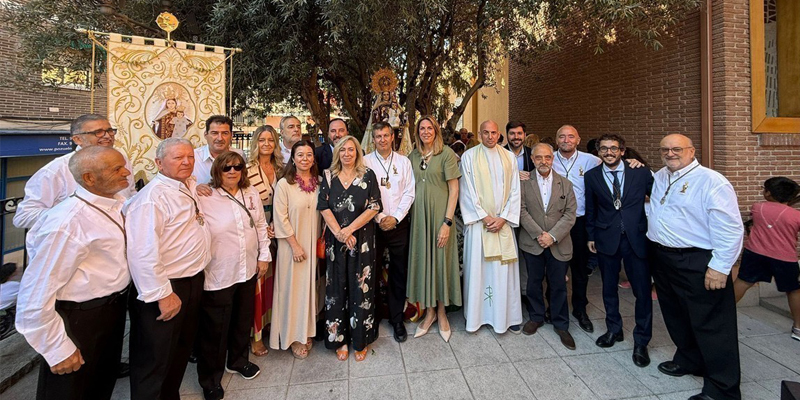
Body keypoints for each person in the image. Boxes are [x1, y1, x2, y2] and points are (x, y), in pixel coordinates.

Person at [15, 146, 131, 400]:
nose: (127, 172)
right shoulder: (66, 223)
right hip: (80, 320)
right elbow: (34, 296)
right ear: (89, 178)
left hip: (110, 311)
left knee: (100, 384)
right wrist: (56, 348)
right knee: (72, 390)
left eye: (123, 165)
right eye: (116, 169)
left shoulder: (118, 203)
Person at [648, 134, 743, 400]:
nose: (670, 153)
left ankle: (722, 389)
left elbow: (731, 227)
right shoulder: (660, 177)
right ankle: (690, 360)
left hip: (698, 261)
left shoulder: (712, 181)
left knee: (711, 324)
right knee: (676, 316)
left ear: (691, 151)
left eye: (677, 149)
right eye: (665, 149)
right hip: (664, 259)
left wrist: (721, 266)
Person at [125, 138, 212, 400]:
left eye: (189, 157)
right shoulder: (151, 198)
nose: (186, 162)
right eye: (178, 158)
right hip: (167, 286)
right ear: (159, 163)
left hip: (192, 280)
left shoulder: (187, 186)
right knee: (154, 358)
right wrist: (162, 294)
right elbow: (142, 252)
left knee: (180, 350)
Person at [195, 152, 269, 400]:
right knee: (215, 329)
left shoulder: (250, 193)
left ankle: (237, 361)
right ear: (217, 170)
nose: (233, 171)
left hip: (247, 268)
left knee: (241, 320)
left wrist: (264, 256)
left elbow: (260, 225)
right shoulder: (204, 196)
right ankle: (210, 379)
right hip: (219, 272)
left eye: (237, 166)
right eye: (227, 167)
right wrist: (196, 186)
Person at [584, 134, 654, 367]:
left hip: (637, 238)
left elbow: (661, 200)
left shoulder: (641, 172)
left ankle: (641, 340)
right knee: (608, 288)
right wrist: (591, 235)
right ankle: (614, 329)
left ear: (623, 151)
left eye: (614, 148)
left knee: (642, 292)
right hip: (606, 238)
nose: (609, 152)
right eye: (604, 148)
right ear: (598, 152)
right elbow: (591, 208)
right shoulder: (592, 176)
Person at [318, 136, 382, 361]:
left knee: (361, 289)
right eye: (342, 150)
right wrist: (339, 234)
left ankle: (360, 340)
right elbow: (324, 207)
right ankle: (340, 339)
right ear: (337, 153)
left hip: (362, 240)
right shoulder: (328, 176)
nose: (347, 153)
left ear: (357, 152)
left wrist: (350, 231)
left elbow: (374, 207)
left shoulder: (368, 175)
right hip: (337, 243)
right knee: (336, 290)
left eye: (351, 149)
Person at [14, 114, 135, 229]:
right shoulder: (55, 170)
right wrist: (76, 215)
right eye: (98, 132)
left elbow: (130, 193)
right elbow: (24, 217)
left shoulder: (122, 159)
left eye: (110, 130)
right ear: (77, 139)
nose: (108, 136)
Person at [459, 120, 522, 334]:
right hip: (479, 226)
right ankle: (477, 317)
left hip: (502, 226)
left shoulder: (509, 158)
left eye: (494, 133)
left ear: (499, 134)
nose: (490, 136)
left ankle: (506, 317)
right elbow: (466, 190)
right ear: (479, 134)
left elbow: (515, 190)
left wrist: (503, 218)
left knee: (504, 271)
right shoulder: (469, 157)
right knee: (479, 271)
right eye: (485, 133)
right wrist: (485, 217)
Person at [517, 143, 577, 349]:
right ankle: (536, 316)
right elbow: (521, 210)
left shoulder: (566, 184)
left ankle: (561, 324)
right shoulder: (523, 183)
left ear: (552, 159)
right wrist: (538, 234)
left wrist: (552, 236)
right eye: (539, 158)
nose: (543, 162)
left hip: (558, 243)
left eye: (547, 157)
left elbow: (570, 214)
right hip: (532, 242)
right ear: (532, 160)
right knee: (533, 281)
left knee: (558, 284)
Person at [407, 116, 462, 342]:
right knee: (425, 262)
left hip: (440, 218)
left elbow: (454, 190)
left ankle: (441, 313)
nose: (426, 131)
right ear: (418, 132)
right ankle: (428, 313)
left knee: (440, 263)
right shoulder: (413, 156)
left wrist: (447, 223)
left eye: (430, 128)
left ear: (436, 131)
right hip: (420, 220)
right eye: (422, 128)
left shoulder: (446, 154)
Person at [363, 122, 416, 342]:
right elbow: (363, 194)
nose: (382, 139)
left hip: (399, 224)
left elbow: (409, 192)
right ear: (373, 139)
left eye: (386, 135)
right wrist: (379, 217)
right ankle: (372, 319)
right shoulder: (365, 162)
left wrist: (395, 217)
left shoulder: (403, 162)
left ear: (393, 137)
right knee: (371, 272)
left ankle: (396, 318)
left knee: (398, 272)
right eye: (378, 136)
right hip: (372, 224)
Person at [734, 177, 800, 341]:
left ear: (768, 193)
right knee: (793, 290)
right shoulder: (796, 216)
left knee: (743, 282)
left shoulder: (757, 208)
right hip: (785, 257)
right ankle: (798, 327)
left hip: (755, 253)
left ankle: (720, 315)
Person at [271, 140, 321, 358]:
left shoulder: (320, 182)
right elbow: (280, 218)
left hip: (312, 243)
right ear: (293, 158)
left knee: (309, 288)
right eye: (300, 155)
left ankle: (307, 330)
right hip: (292, 246)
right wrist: (294, 245)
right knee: (292, 290)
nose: (305, 159)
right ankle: (292, 336)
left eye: (309, 155)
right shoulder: (284, 184)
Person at [245, 125, 284, 357]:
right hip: (256, 230)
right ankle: (255, 336)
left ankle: (271, 325)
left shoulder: (281, 168)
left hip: (280, 228)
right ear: (255, 143)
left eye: (271, 139)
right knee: (259, 282)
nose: (267, 144)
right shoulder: (247, 169)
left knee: (275, 280)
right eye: (262, 140)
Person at [193, 115, 245, 184]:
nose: (220, 138)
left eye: (225, 133)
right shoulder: (194, 157)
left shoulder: (240, 155)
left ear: (231, 135)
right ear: (206, 135)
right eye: (214, 133)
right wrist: (195, 188)